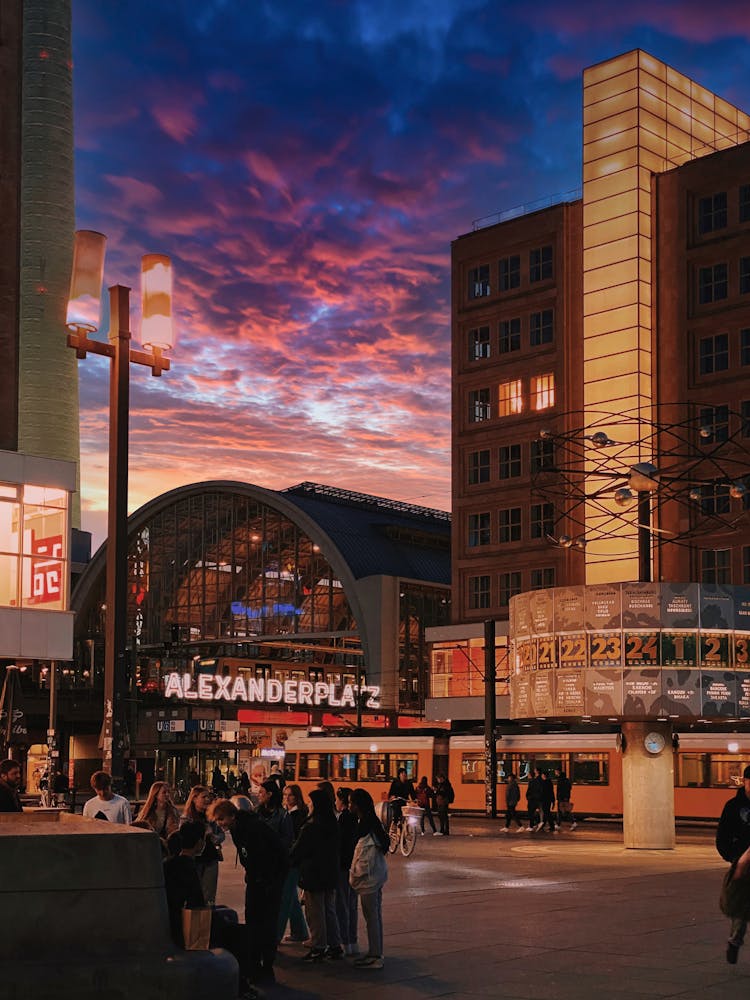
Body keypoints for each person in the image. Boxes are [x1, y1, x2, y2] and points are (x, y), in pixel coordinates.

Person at [163, 821, 259, 1000]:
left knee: (228, 916)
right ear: (200, 843)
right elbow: (196, 904)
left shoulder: (171, 862)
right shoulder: (187, 866)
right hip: (184, 926)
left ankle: (243, 984)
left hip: (173, 919)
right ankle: (243, 985)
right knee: (240, 933)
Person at [210, 798, 288, 985]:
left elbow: (261, 856)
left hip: (268, 880)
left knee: (266, 921)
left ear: (232, 815)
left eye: (222, 819)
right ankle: (255, 962)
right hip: (258, 879)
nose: (220, 824)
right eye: (218, 821)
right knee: (255, 920)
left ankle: (265, 964)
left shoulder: (251, 828)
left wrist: (263, 879)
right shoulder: (240, 828)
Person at [290, 788, 343, 963]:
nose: (309, 805)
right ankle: (335, 946)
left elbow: (298, 850)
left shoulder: (312, 825)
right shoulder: (331, 822)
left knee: (315, 912)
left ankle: (318, 946)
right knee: (329, 910)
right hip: (330, 873)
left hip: (314, 874)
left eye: (311, 802)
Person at [350, 788, 389, 970]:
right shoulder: (372, 822)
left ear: (358, 805)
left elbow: (364, 858)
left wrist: (355, 875)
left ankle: (375, 955)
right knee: (375, 916)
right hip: (377, 877)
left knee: (371, 916)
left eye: (351, 802)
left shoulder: (365, 826)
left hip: (369, 879)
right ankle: (376, 951)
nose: (350, 805)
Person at [717, 764, 750, 963]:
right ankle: (735, 941)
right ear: (745, 782)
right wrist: (732, 857)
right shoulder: (733, 806)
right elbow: (723, 836)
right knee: (741, 908)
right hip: (743, 865)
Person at [182, 785, 225, 905]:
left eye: (209, 796)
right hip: (194, 860)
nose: (207, 799)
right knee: (193, 895)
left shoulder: (211, 816)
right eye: (204, 797)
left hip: (210, 859)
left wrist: (215, 838)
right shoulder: (187, 819)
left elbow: (221, 834)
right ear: (194, 799)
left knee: (209, 896)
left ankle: (208, 920)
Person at [278, 784, 310, 944]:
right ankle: (299, 931)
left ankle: (275, 936)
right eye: (284, 795)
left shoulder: (296, 815)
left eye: (290, 795)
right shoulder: (288, 813)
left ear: (296, 797)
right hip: (292, 860)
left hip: (293, 861)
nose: (287, 798)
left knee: (285, 898)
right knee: (291, 898)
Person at [335, 787, 359, 956]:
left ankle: (344, 941)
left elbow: (340, 844)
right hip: (354, 866)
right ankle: (353, 940)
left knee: (342, 905)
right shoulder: (356, 819)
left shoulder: (343, 818)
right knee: (352, 905)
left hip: (343, 866)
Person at [134, 780, 181, 853]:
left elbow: (174, 832)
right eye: (164, 792)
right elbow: (137, 827)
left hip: (166, 848)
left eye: (168, 792)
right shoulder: (148, 811)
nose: (167, 794)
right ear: (155, 794)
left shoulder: (172, 811)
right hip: (149, 846)